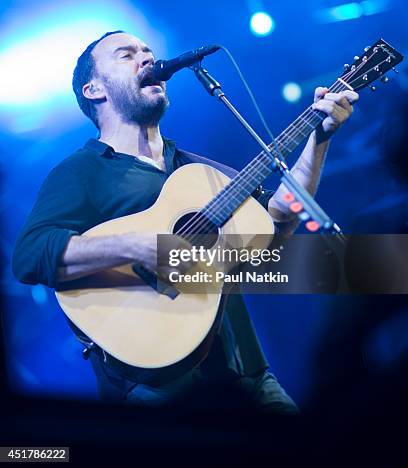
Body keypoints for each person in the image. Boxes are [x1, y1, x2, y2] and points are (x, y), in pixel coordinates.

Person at [12, 30, 358, 412]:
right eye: (126, 55)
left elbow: (274, 228)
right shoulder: (82, 171)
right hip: (154, 388)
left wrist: (319, 139)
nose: (146, 58)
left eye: (147, 51)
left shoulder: (202, 172)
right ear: (95, 90)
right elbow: (30, 256)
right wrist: (136, 245)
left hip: (248, 376)